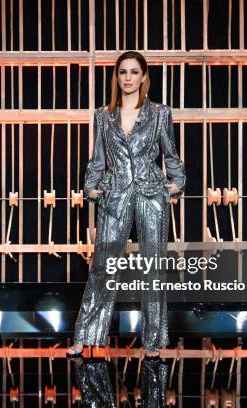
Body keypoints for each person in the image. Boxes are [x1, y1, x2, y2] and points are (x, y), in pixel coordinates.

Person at [67, 51, 186, 359]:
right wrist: (90, 187)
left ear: (144, 76)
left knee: (153, 268)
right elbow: (97, 158)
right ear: (117, 76)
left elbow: (170, 154)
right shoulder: (102, 115)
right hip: (115, 192)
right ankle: (84, 337)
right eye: (123, 72)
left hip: (151, 194)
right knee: (103, 266)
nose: (129, 77)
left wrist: (177, 182)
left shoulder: (160, 113)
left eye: (134, 72)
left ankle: (152, 343)